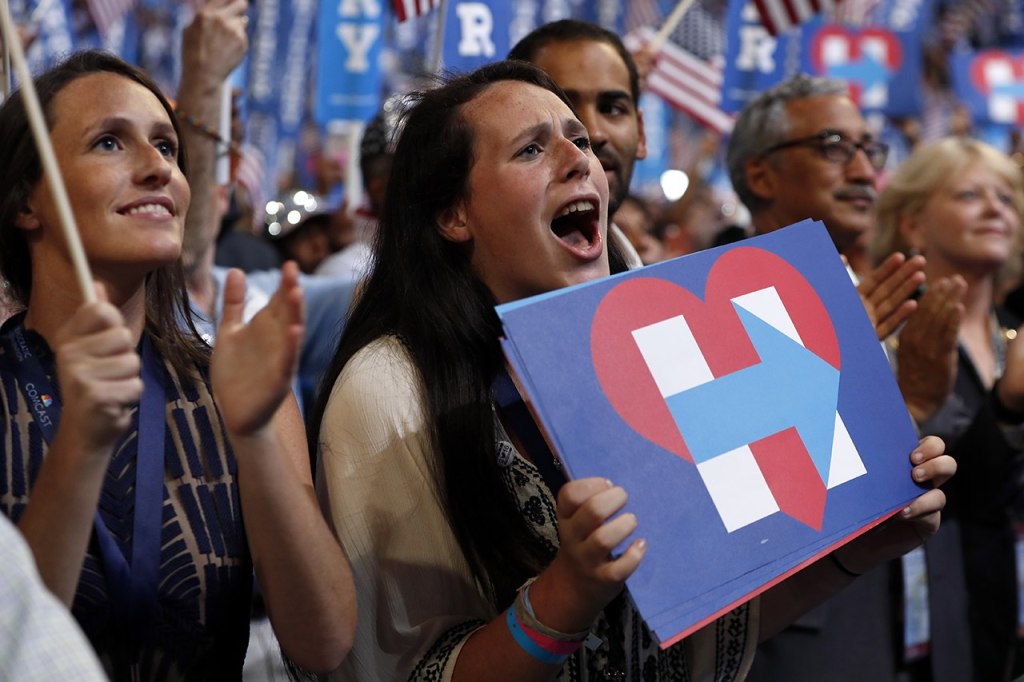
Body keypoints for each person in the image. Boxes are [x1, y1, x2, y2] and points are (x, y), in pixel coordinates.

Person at [309, 59, 953, 682]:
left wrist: (859, 549)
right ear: (454, 214)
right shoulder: (390, 392)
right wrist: (566, 595)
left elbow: (702, 636)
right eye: (532, 150)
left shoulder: (662, 345)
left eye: (580, 141)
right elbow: (397, 667)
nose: (580, 159)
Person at [0, 50, 355, 680]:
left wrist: (253, 436)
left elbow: (323, 641)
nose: (157, 168)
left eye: (166, 146)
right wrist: (80, 444)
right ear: (27, 202)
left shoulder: (234, 383)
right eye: (110, 142)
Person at [729, 75, 968, 682]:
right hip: (802, 641)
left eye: (872, 148)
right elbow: (746, 496)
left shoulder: (893, 293)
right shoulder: (706, 308)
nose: (864, 169)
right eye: (835, 146)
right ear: (762, 175)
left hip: (920, 635)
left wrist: (920, 406)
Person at [873, 136, 1024, 680]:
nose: (995, 210)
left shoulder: (1014, 333)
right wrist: (1006, 407)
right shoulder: (887, 337)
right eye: (969, 195)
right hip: (917, 629)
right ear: (913, 223)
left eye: (1005, 198)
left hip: (1004, 617)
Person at [509, 19, 648, 272]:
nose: (593, 133)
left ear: (641, 135)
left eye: (612, 109)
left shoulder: (663, 295)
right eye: (566, 109)